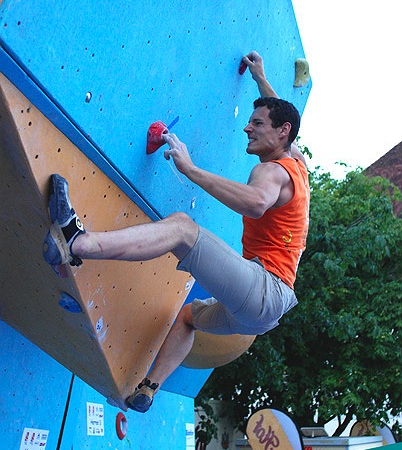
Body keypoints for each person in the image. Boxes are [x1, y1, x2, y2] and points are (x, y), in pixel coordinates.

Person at [42, 50, 310, 413]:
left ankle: (76, 242)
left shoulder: (272, 171)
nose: (247, 128)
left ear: (282, 132)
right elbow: (282, 115)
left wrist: (190, 169)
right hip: (261, 314)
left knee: (183, 229)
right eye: (249, 121)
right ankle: (148, 389)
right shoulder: (297, 163)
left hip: (265, 288)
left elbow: (256, 203)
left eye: (256, 123)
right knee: (188, 318)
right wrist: (260, 77)